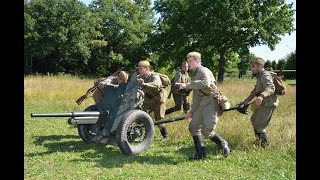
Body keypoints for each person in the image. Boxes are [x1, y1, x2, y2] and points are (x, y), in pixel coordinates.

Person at [177, 51, 230, 160]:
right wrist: (191, 112)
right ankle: (200, 153)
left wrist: (187, 85)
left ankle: (223, 143)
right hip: (202, 103)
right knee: (193, 127)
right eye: (188, 61)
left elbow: (205, 83)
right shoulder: (196, 74)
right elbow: (197, 96)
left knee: (207, 131)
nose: (188, 64)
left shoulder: (204, 70)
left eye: (190, 61)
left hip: (211, 102)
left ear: (197, 61)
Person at [241, 57, 279, 148]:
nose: (251, 68)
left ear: (260, 66)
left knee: (259, 124)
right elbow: (255, 91)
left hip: (268, 103)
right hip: (264, 103)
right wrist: (246, 101)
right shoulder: (260, 76)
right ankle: (259, 141)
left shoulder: (265, 75)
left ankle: (265, 147)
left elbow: (271, 88)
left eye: (253, 66)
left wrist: (261, 96)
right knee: (254, 119)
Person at [136, 60, 169, 139]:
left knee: (159, 119)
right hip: (149, 98)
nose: (139, 70)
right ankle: (138, 134)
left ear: (147, 69)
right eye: (138, 69)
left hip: (159, 98)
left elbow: (156, 85)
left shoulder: (154, 76)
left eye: (141, 69)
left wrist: (144, 84)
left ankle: (165, 136)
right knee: (139, 112)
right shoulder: (140, 77)